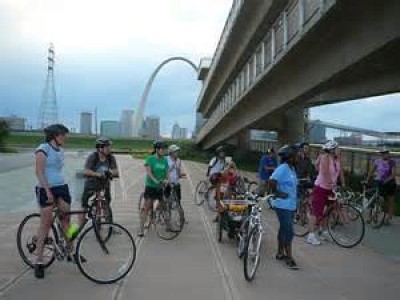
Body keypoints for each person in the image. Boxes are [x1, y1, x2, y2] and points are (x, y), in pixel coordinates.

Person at [34, 124, 70, 279]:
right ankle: (39, 261)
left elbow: (57, 170)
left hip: (61, 186)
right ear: (55, 135)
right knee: (46, 224)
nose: (65, 137)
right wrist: (47, 190)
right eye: (63, 134)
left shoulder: (61, 151)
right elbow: (39, 172)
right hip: (45, 187)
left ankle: (71, 250)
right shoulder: (43, 148)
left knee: (67, 219)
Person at [307, 140, 345, 246]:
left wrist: (341, 184)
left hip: (329, 188)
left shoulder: (336, 159)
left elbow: (340, 172)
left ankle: (323, 231)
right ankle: (310, 236)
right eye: (337, 148)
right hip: (321, 187)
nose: (339, 150)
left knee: (328, 210)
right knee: (316, 212)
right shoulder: (325, 157)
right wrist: (332, 184)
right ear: (332, 150)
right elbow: (325, 172)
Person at [269, 145, 299, 270]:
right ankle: (289, 257)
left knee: (283, 229)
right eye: (296, 155)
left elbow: (291, 185)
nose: (298, 157)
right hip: (282, 205)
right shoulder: (283, 168)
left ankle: (280, 253)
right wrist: (277, 193)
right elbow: (271, 181)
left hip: (290, 205)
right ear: (290, 157)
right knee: (289, 231)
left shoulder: (292, 169)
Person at [80, 137, 118, 225]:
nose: (109, 149)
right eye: (107, 147)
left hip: (104, 185)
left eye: (109, 147)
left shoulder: (110, 158)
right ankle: (78, 227)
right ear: (100, 148)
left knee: (106, 205)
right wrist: (98, 174)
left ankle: (110, 225)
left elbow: (115, 171)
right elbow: (86, 170)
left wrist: (111, 172)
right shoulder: (93, 157)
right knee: (84, 207)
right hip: (91, 184)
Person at [138, 140, 169, 237]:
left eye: (165, 149)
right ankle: (141, 230)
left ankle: (168, 225)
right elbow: (149, 172)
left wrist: (166, 180)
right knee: (146, 208)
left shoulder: (164, 160)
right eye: (162, 149)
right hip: (151, 187)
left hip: (160, 187)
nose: (164, 151)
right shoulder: (150, 159)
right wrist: (155, 180)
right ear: (157, 149)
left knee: (164, 206)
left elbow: (167, 173)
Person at [367, 147, 397, 225]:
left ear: (388, 153)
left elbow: (393, 174)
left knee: (391, 201)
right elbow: (371, 170)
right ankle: (373, 217)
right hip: (380, 183)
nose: (384, 155)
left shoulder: (392, 162)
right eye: (383, 153)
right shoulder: (377, 161)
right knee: (379, 200)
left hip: (390, 184)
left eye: (386, 153)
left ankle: (388, 218)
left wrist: (386, 180)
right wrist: (367, 179)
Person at [207, 146, 229, 221]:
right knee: (219, 197)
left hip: (220, 178)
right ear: (218, 153)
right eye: (221, 152)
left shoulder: (225, 161)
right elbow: (209, 166)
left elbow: (227, 169)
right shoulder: (214, 159)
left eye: (223, 152)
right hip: (213, 177)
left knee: (221, 197)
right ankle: (218, 215)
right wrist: (208, 173)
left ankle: (218, 215)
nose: (222, 154)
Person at [166, 144, 187, 222]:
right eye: (175, 151)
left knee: (178, 200)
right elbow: (165, 171)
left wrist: (181, 175)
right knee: (168, 201)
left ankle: (181, 217)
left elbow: (178, 171)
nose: (177, 153)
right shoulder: (166, 159)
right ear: (171, 152)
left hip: (176, 183)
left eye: (177, 151)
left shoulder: (178, 160)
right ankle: (168, 217)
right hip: (168, 183)